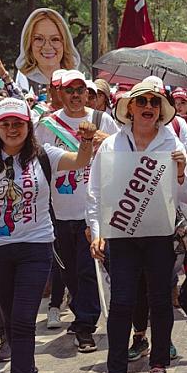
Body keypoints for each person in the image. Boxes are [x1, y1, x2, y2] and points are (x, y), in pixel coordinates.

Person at [87, 81, 187, 373]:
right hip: (121, 237)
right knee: (122, 303)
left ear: (161, 110)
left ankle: (158, 366)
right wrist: (96, 233)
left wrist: (179, 173)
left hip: (160, 236)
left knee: (161, 302)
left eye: (154, 102)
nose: (148, 107)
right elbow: (94, 194)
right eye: (142, 101)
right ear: (130, 108)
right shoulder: (111, 147)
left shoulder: (171, 142)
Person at [0, 97, 97, 373]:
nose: (12, 129)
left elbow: (80, 161)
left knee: (24, 319)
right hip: (1, 250)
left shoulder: (44, 155)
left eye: (18, 123)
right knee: (11, 317)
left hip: (36, 247)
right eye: (6, 124)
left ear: (29, 126)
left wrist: (87, 140)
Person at [34, 70, 118, 353]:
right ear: (59, 93)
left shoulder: (101, 120)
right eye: (69, 90)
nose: (75, 96)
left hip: (92, 210)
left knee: (87, 270)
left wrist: (104, 139)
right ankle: (81, 311)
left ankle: (85, 326)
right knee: (67, 272)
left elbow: (121, 153)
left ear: (87, 93)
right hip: (58, 210)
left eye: (80, 90)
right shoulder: (47, 125)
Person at [14, 8, 81, 90]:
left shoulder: (73, 76)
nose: (47, 47)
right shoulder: (23, 76)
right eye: (39, 39)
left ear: (65, 43)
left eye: (55, 39)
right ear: (29, 43)